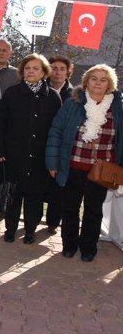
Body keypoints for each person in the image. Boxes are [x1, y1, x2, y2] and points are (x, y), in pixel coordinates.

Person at [46, 64, 123, 262]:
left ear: (110, 84)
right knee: (70, 208)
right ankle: (69, 245)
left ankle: (88, 248)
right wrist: (53, 164)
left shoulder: (118, 106)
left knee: (93, 211)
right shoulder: (73, 103)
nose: (98, 83)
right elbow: (56, 132)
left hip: (101, 171)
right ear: (86, 81)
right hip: (72, 166)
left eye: (103, 79)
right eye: (94, 78)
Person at [0, 53, 61, 244]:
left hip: (40, 157)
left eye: (36, 68)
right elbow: (0, 124)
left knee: (35, 196)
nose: (30, 71)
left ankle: (30, 230)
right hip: (14, 154)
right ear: (22, 71)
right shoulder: (12, 93)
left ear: (44, 73)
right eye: (27, 68)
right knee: (13, 195)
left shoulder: (53, 97)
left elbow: (57, 130)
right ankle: (10, 229)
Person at [45, 56, 75, 233]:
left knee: (58, 187)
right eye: (53, 68)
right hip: (40, 142)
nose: (57, 72)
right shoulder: (40, 89)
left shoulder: (75, 95)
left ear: (68, 72)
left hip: (62, 147)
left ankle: (52, 222)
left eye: (61, 68)